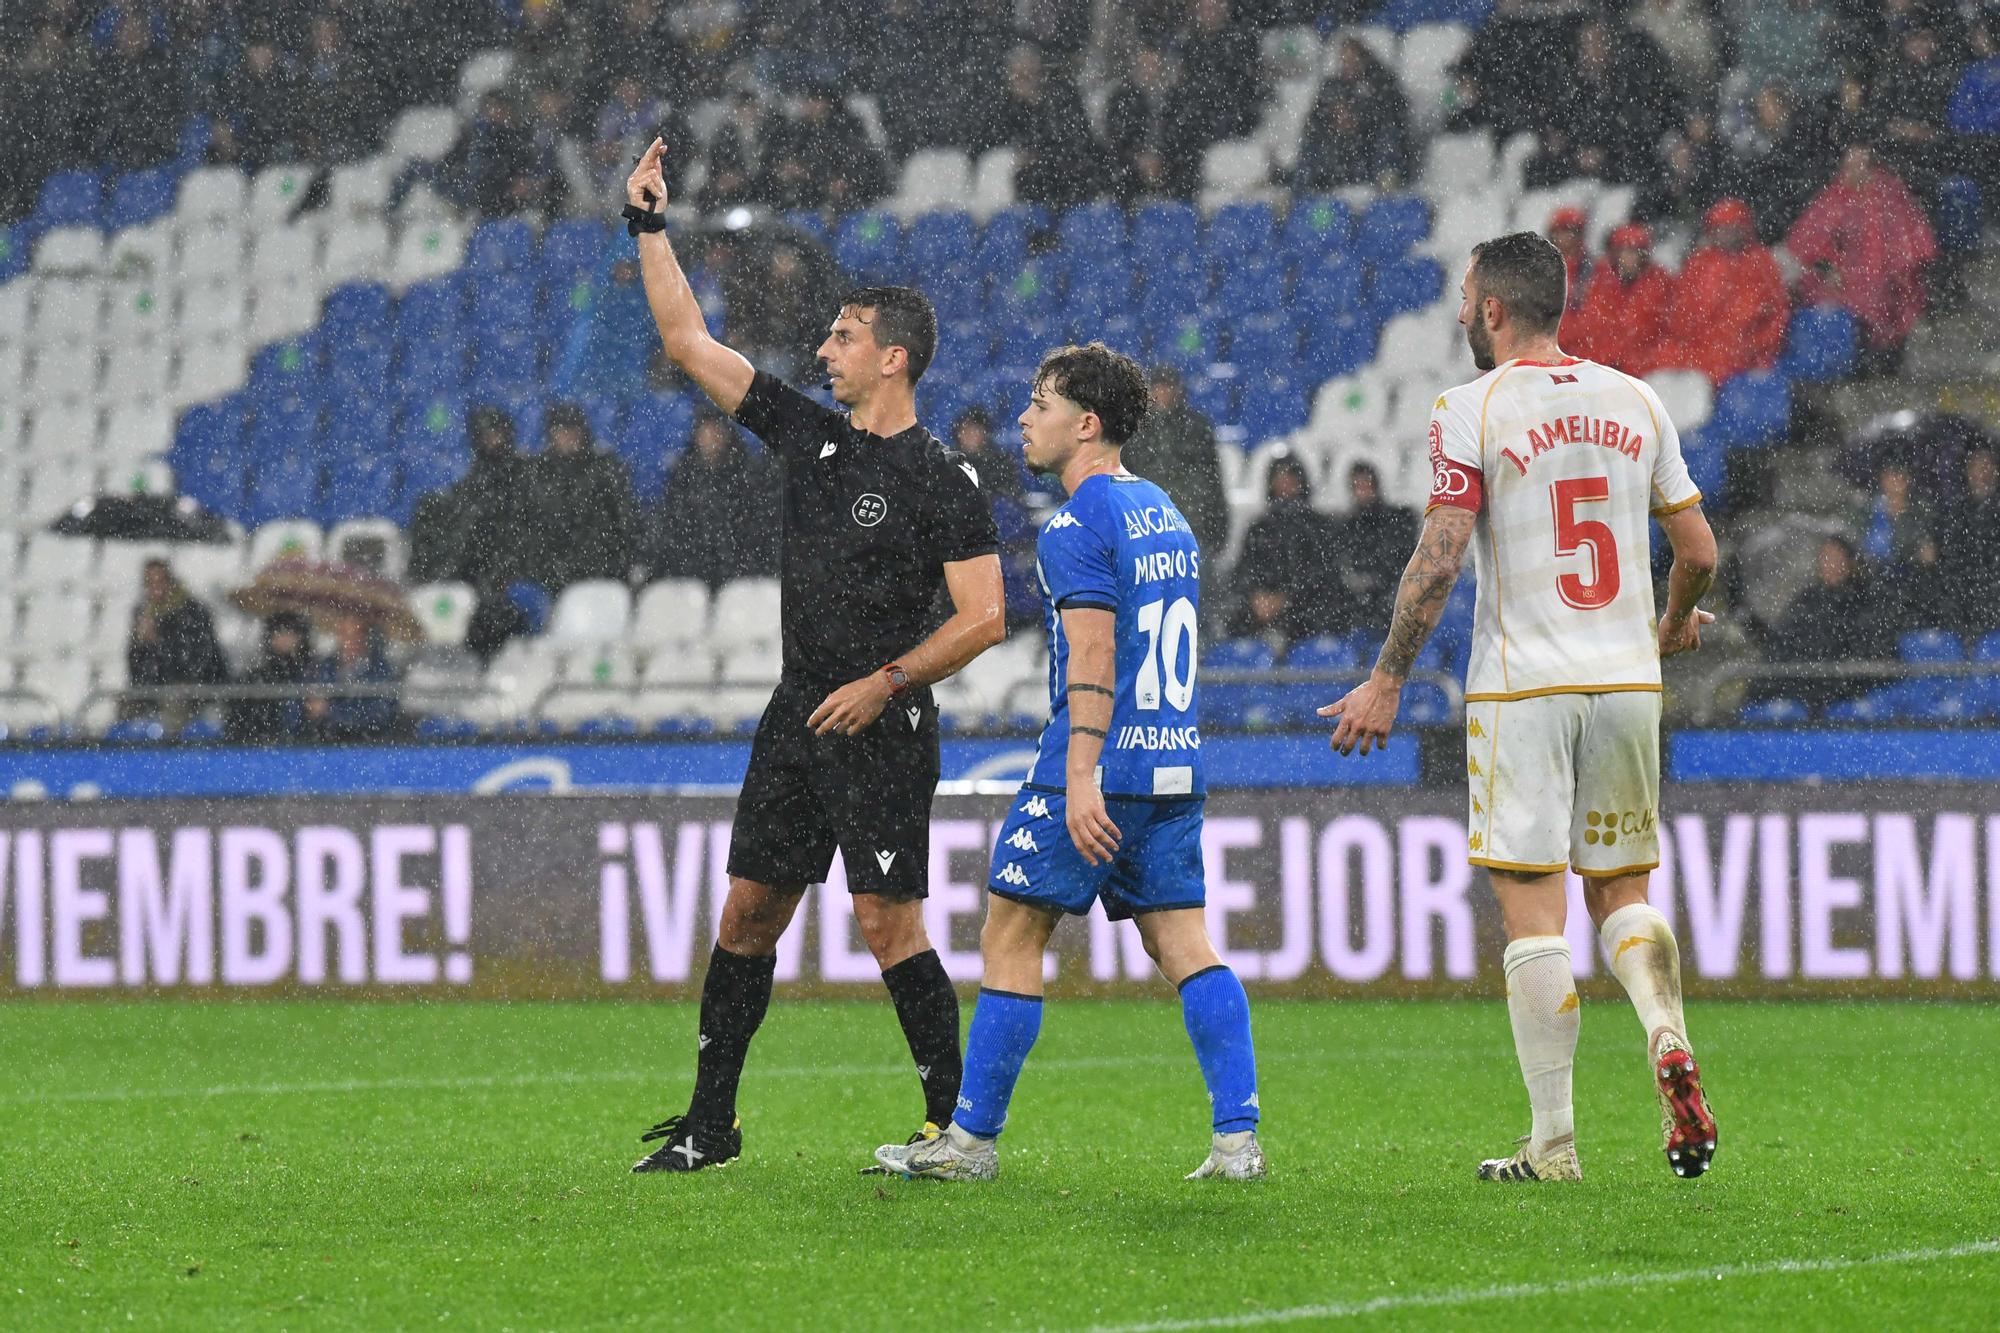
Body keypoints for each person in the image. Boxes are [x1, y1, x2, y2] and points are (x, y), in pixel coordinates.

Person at [622, 138, 1005, 1173]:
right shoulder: (810, 436)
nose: (823, 348)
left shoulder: (939, 478)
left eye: (842, 336)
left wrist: (884, 684)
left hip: (880, 722)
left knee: (887, 921)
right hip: (795, 714)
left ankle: (949, 1125)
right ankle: (711, 1123)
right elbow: (688, 342)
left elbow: (984, 617)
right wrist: (650, 227)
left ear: (894, 357)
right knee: (747, 911)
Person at [1324, 233, 1719, 1183]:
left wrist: (1387, 676)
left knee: (1535, 915)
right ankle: (1665, 1030)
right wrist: (1668, 624)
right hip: (1628, 681)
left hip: (1522, 683)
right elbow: (1699, 549)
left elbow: (1443, 553)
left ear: (1493, 310)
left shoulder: (1471, 406)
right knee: (1622, 891)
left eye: (1467, 297)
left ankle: (1554, 1140)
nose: (1463, 311)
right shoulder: (1638, 398)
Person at [871, 343, 1264, 1184]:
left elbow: (1092, 654)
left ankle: (970, 1143)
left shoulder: (1077, 524)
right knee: (1186, 942)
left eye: (1041, 402)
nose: (1024, 416)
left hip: (1094, 759)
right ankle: (1238, 1140)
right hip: (1173, 758)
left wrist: (1081, 774)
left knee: (1012, 931)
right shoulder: (1166, 511)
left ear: (1085, 425)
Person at [406, 405, 537, 662]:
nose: (495, 441)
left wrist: (502, 573)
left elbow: (523, 534)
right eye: (488, 435)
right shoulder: (473, 483)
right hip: (478, 577)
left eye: (499, 433)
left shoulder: (526, 477)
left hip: (513, 576)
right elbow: (468, 539)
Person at [1788, 145, 1938, 367]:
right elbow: (1810, 240)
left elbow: (1907, 247)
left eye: (1858, 166)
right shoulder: (1834, 197)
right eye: (1848, 166)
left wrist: (1885, 272)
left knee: (1876, 294)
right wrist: (1828, 267)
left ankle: (1875, 353)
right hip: (1841, 277)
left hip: (1883, 277)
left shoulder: (1890, 197)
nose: (1851, 172)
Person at [1637, 197, 1789, 384]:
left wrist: (1750, 347)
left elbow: (1770, 319)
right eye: (1720, 228)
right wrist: (1684, 337)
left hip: (1735, 351)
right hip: (1695, 346)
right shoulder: (1699, 261)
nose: (1725, 234)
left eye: (1731, 228)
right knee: (1654, 359)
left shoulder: (1761, 264)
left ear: (1744, 229)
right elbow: (1679, 310)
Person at [640, 412, 780, 589]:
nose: (709, 439)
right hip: (691, 570)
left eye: (715, 432)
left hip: (738, 572)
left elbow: (757, 526)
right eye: (704, 432)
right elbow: (673, 523)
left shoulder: (747, 476)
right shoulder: (683, 476)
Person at [1763, 534, 1893, 709]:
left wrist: (1837, 674)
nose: (1830, 564)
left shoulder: (1866, 600)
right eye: (1825, 558)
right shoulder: (1806, 600)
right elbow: (1781, 643)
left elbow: (1873, 651)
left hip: (1850, 694)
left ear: (1850, 562)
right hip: (1803, 691)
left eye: (1836, 557)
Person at [522, 403, 639, 592]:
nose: (569, 436)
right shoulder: (537, 473)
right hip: (549, 574)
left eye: (573, 429)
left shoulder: (605, 469)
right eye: (562, 430)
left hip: (598, 572)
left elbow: (624, 521)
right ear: (551, 435)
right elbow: (531, 527)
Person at [1228, 455, 1339, 646]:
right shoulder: (1259, 527)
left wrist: (1284, 598)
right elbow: (1243, 571)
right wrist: (1257, 597)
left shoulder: (1319, 527)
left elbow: (1323, 575)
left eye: (1290, 481)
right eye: (1279, 481)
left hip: (1305, 609)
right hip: (1261, 611)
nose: (1285, 487)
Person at [1123, 367, 1229, 562]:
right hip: (1150, 526)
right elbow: (1126, 476)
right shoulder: (1137, 429)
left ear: (1179, 389)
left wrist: (1218, 523)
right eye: (1160, 386)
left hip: (1192, 525)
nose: (1164, 391)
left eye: (1169, 385)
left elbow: (1212, 478)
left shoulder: (1196, 426)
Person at [125, 558, 229, 725]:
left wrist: (160, 641)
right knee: (125, 709)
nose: (156, 587)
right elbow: (136, 667)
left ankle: (172, 748)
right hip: (156, 687)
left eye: (160, 581)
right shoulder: (144, 613)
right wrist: (142, 644)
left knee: (174, 705)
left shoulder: (192, 611)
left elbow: (200, 658)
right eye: (150, 582)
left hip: (195, 686)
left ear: (170, 581)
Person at [1563, 223, 1673, 374]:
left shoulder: (1659, 283)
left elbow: (1653, 330)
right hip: (1602, 366)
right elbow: (1589, 325)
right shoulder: (1599, 279)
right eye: (1623, 251)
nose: (1628, 258)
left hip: (1639, 368)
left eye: (1634, 252)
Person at [1328, 462, 1419, 635]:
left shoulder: (1397, 522)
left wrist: (1380, 582)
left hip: (1391, 602)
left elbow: (1405, 564)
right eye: (1358, 486)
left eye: (1366, 485)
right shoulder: (1345, 528)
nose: (1363, 491)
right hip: (1357, 609)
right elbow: (1341, 569)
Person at [225, 610, 318, 744]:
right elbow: (238, 723)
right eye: (279, 632)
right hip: (262, 748)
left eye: (290, 632)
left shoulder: (313, 675)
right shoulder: (255, 679)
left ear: (301, 637)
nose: (284, 639)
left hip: (306, 745)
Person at [309, 614, 401, 740]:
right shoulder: (326, 666)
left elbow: (379, 714)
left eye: (355, 635)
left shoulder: (381, 669)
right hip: (328, 743)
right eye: (344, 634)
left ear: (365, 638)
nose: (349, 641)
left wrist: (331, 712)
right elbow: (312, 706)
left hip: (371, 744)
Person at [1942, 448, 2000, 635]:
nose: (1982, 472)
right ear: (1967, 471)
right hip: (1965, 595)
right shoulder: (1957, 510)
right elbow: (1951, 558)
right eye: (1976, 466)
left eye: (1986, 466)